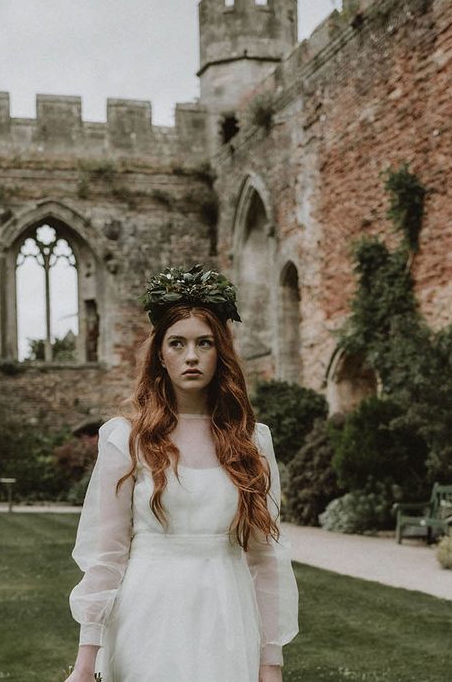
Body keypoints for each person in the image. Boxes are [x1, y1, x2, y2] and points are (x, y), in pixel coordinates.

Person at [66, 264, 299, 682]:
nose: (191, 356)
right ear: (160, 354)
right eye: (178, 343)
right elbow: (107, 556)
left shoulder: (251, 442)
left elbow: (265, 559)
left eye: (204, 343)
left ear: (220, 352)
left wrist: (271, 662)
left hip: (228, 618)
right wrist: (85, 663)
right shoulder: (127, 438)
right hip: (145, 615)